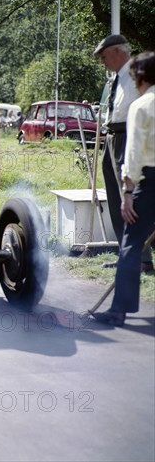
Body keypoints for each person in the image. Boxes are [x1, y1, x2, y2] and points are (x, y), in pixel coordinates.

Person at [92, 52, 155, 326]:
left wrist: (127, 192)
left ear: (141, 78)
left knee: (131, 243)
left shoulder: (141, 106)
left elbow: (133, 155)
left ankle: (119, 310)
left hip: (149, 180)